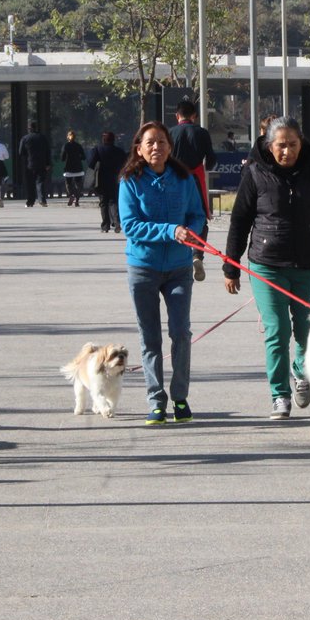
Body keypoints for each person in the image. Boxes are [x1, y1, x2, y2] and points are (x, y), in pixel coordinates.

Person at [223, 116, 310, 419]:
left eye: (292, 144)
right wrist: (231, 265)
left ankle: (301, 371)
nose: (287, 151)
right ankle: (279, 394)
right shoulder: (254, 174)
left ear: (301, 143)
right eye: (281, 145)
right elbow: (240, 220)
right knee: (277, 329)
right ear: (268, 144)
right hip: (267, 265)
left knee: (308, 331)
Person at [119, 122, 206, 425]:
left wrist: (191, 233)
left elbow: (197, 214)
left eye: (162, 142)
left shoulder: (184, 178)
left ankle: (180, 397)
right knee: (150, 336)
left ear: (170, 147)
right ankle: (156, 401)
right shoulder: (130, 181)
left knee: (181, 332)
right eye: (150, 143)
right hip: (143, 268)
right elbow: (130, 225)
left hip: (179, 268)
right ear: (139, 149)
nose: (157, 147)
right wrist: (171, 230)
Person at [168, 99, 217, 281]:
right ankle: (197, 254)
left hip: (174, 180)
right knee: (200, 216)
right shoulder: (202, 133)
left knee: (175, 215)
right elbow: (211, 159)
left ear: (177, 115)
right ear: (194, 115)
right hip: (196, 179)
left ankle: (179, 254)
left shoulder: (170, 133)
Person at [88, 130, 124, 233]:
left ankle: (105, 226)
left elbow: (91, 163)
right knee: (113, 201)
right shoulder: (119, 151)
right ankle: (117, 223)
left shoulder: (98, 150)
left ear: (103, 139)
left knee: (103, 203)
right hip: (115, 179)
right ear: (113, 140)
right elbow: (125, 163)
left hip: (101, 180)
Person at [19, 120, 51, 206]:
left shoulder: (25, 138)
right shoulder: (43, 138)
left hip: (29, 164)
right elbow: (48, 151)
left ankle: (30, 201)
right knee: (40, 182)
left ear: (29, 128)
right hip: (42, 163)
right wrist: (48, 164)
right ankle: (42, 200)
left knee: (30, 183)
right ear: (36, 128)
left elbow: (21, 152)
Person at [61, 130, 87, 207]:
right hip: (78, 168)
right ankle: (77, 200)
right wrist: (78, 157)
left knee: (68, 184)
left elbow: (62, 158)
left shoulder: (65, 146)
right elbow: (84, 157)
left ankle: (71, 195)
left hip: (68, 168)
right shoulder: (79, 146)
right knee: (78, 185)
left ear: (67, 137)